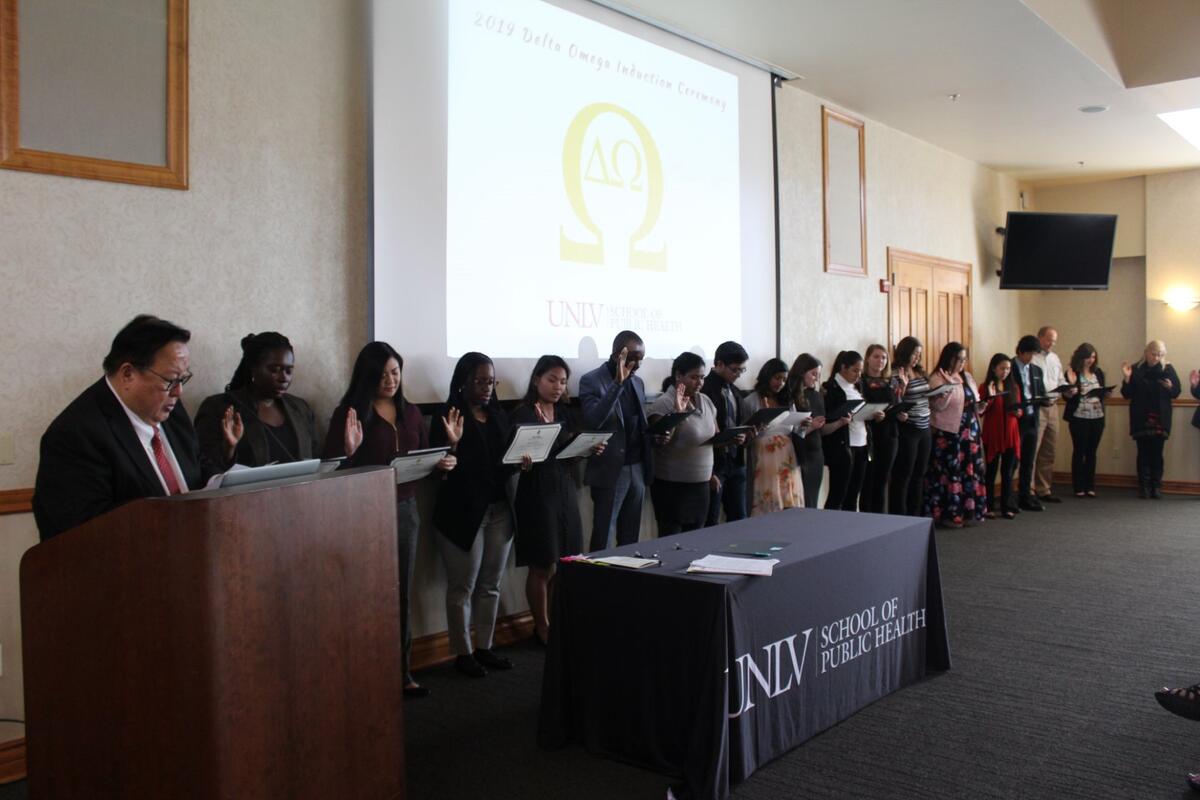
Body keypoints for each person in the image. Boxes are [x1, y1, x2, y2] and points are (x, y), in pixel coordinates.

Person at [323, 341, 459, 698]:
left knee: (400, 595)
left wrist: (445, 460)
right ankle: (364, 673)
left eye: (396, 372)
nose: (390, 380)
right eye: (382, 374)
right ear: (367, 376)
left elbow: (426, 465)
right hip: (363, 516)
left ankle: (402, 672)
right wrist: (347, 452)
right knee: (365, 595)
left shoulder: (412, 412)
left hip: (405, 511)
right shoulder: (349, 413)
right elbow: (330, 470)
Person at [33, 315, 203, 540]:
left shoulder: (171, 409)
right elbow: (80, 533)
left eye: (183, 379)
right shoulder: (74, 435)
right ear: (128, 374)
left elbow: (195, 471)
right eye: (171, 380)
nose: (178, 392)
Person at [430, 352, 516, 677]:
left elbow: (502, 461)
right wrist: (451, 446)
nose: (487, 388)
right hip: (462, 513)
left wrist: (520, 462)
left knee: (491, 583)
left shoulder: (498, 416)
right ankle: (463, 653)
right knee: (462, 586)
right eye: (480, 381)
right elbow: (438, 469)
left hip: (499, 511)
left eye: (491, 382)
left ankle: (486, 646)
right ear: (463, 380)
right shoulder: (448, 415)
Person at [511, 356, 603, 646]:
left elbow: (567, 454)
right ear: (537, 379)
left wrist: (588, 449)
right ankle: (541, 626)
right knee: (541, 563)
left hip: (564, 489)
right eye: (552, 379)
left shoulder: (564, 413)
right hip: (536, 491)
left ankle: (555, 618)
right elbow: (513, 457)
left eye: (562, 381)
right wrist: (521, 462)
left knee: (565, 559)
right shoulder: (522, 413)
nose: (557, 386)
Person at [194, 332, 320, 481]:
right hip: (246, 500)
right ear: (253, 368)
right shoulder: (219, 408)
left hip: (300, 497)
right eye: (274, 370)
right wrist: (229, 448)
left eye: (289, 370)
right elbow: (204, 468)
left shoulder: (300, 408)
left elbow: (316, 459)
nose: (284, 378)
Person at [578, 331, 653, 551]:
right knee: (604, 537)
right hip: (611, 470)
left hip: (637, 467)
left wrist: (657, 434)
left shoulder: (638, 382)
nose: (637, 365)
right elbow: (594, 420)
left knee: (630, 538)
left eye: (641, 359)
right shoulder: (592, 381)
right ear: (616, 356)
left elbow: (638, 424)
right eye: (633, 358)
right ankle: (599, 584)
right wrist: (617, 385)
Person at [648, 352, 718, 535]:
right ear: (678, 376)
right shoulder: (663, 403)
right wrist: (677, 413)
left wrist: (734, 438)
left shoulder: (706, 401)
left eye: (702, 377)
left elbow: (713, 436)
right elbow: (660, 439)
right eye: (694, 377)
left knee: (696, 541)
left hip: (701, 484)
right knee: (671, 540)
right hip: (672, 487)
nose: (700, 383)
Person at [923, 342, 987, 528]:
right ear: (949, 358)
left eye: (964, 359)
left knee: (969, 471)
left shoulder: (966, 376)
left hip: (970, 432)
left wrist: (980, 407)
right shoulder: (937, 377)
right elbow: (937, 407)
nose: (961, 363)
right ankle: (949, 514)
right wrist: (949, 388)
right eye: (958, 359)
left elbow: (972, 400)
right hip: (949, 432)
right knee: (950, 473)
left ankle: (968, 512)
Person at [741, 358, 803, 515]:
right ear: (767, 376)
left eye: (784, 379)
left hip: (787, 458)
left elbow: (795, 430)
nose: (780, 383)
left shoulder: (787, 400)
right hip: (764, 458)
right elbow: (744, 436)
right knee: (767, 501)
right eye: (777, 378)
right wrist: (756, 430)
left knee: (788, 502)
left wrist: (804, 424)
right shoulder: (751, 401)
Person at [1120, 340, 1181, 499]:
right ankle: (1144, 486)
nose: (1157, 357)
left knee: (1157, 453)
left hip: (1160, 417)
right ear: (1146, 352)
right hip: (1141, 416)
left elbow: (1176, 392)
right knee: (1143, 452)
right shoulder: (1136, 369)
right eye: (1154, 354)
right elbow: (1127, 394)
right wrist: (1127, 379)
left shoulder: (1167, 368)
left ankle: (1156, 486)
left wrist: (1170, 387)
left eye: (1160, 354)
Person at [701, 341, 750, 526]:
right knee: (710, 521)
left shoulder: (736, 391)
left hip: (736, 462)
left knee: (739, 519)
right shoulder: (704, 389)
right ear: (719, 364)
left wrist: (747, 434)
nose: (738, 375)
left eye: (742, 370)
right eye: (735, 369)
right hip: (714, 465)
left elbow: (740, 423)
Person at [821, 351, 877, 511]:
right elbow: (829, 416)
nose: (858, 375)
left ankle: (850, 532)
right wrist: (842, 417)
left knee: (853, 495)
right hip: (843, 446)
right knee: (838, 495)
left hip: (862, 443)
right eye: (855, 370)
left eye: (860, 371)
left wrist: (872, 413)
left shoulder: (857, 387)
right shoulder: (830, 388)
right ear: (843, 367)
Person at [890, 336, 932, 517]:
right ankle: (901, 515)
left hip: (925, 427)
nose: (917, 358)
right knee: (904, 474)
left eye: (919, 355)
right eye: (914, 354)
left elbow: (925, 394)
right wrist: (904, 387)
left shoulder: (920, 372)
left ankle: (915, 514)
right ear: (905, 352)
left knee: (919, 474)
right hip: (909, 428)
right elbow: (894, 401)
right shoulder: (895, 372)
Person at [1007, 335, 1050, 512]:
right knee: (1012, 462)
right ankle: (1008, 498)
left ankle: (1026, 496)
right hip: (1017, 421)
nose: (1032, 358)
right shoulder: (1009, 367)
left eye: (1034, 354)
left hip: (1033, 419)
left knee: (1028, 461)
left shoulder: (1036, 370)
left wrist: (1047, 399)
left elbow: (1041, 393)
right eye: (1029, 354)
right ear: (1021, 351)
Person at [1031, 326, 1074, 504]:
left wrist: (1068, 389)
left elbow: (1060, 381)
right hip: (1038, 407)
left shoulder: (1055, 358)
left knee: (1049, 451)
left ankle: (1044, 489)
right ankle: (1029, 490)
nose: (1051, 344)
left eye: (1054, 341)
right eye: (1049, 340)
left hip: (1054, 406)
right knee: (1033, 450)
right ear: (1040, 337)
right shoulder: (1032, 357)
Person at [1062, 343, 1108, 498]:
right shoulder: (1072, 372)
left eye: (1093, 357)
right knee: (1079, 451)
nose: (1091, 360)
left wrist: (1105, 393)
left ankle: (1090, 485)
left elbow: (1101, 393)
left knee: (1092, 452)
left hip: (1097, 417)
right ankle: (1078, 486)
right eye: (1088, 357)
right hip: (1079, 417)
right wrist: (1071, 390)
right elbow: (1066, 396)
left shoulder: (1098, 372)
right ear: (1080, 357)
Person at [861, 343, 903, 513]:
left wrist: (901, 414)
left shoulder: (892, 382)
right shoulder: (861, 381)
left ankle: (880, 520)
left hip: (889, 434)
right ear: (868, 359)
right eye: (876, 356)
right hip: (869, 434)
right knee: (868, 480)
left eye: (884, 357)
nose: (880, 360)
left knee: (882, 480)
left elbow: (896, 405)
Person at [979, 353, 1020, 519]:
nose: (1005, 371)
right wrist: (989, 397)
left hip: (1010, 433)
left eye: (1008, 368)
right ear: (994, 368)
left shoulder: (1014, 387)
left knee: (1008, 472)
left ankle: (1006, 505)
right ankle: (988, 505)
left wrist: (1019, 411)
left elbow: (1019, 408)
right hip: (993, 433)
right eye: (1002, 368)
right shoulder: (985, 386)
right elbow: (981, 411)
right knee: (991, 470)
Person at [786, 353, 827, 508]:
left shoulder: (816, 395)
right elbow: (789, 430)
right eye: (813, 374)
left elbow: (822, 426)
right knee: (799, 501)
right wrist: (810, 427)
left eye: (818, 375)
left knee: (812, 500)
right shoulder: (789, 394)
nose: (816, 378)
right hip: (799, 453)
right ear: (802, 372)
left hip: (816, 452)